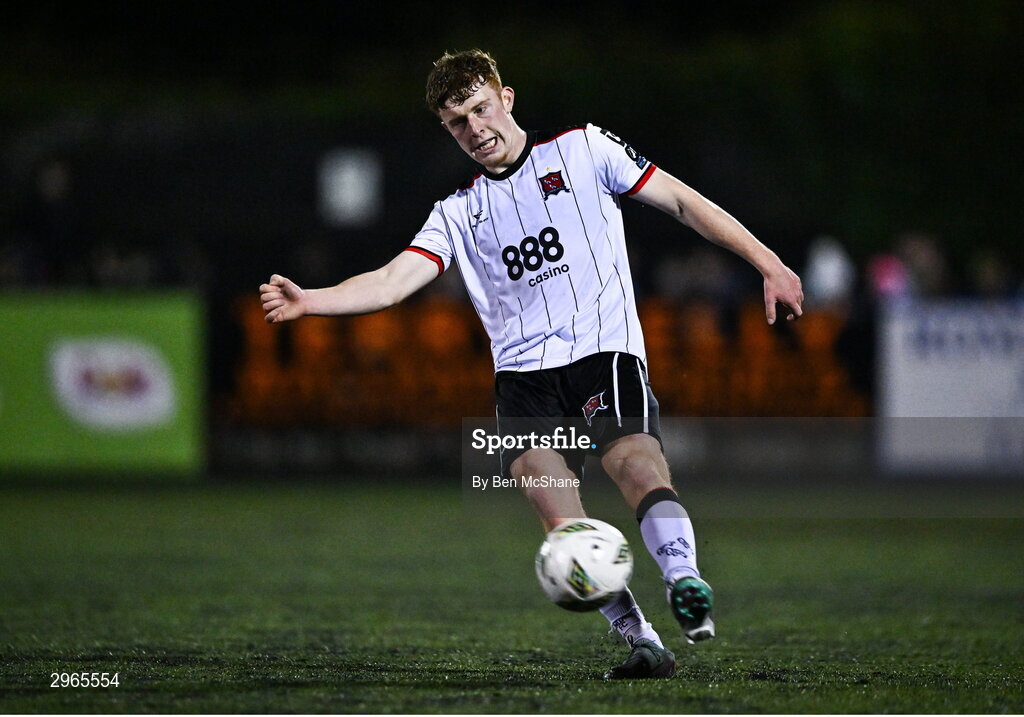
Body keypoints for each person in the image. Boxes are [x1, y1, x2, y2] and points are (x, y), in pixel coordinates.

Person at [260, 49, 803, 679]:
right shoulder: (458, 211)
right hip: (523, 382)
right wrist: (311, 302)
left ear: (507, 97)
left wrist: (768, 261)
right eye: (457, 121)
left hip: (604, 353)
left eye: (480, 108)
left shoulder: (582, 148)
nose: (475, 128)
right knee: (561, 524)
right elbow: (390, 281)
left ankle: (684, 578)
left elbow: (681, 202)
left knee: (634, 464)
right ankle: (642, 641)